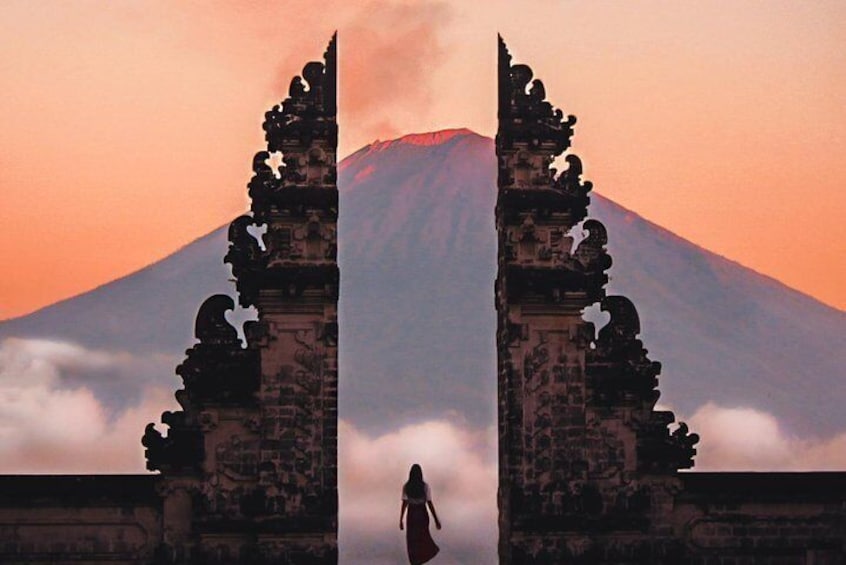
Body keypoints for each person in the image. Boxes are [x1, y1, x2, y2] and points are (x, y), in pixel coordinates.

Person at [399, 464, 441, 564]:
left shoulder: (407, 486)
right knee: (423, 537)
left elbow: (405, 503)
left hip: (412, 514)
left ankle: (415, 561)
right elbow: (429, 503)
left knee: (412, 539)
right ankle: (421, 559)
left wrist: (401, 519)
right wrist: (436, 520)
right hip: (422, 512)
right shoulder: (425, 486)